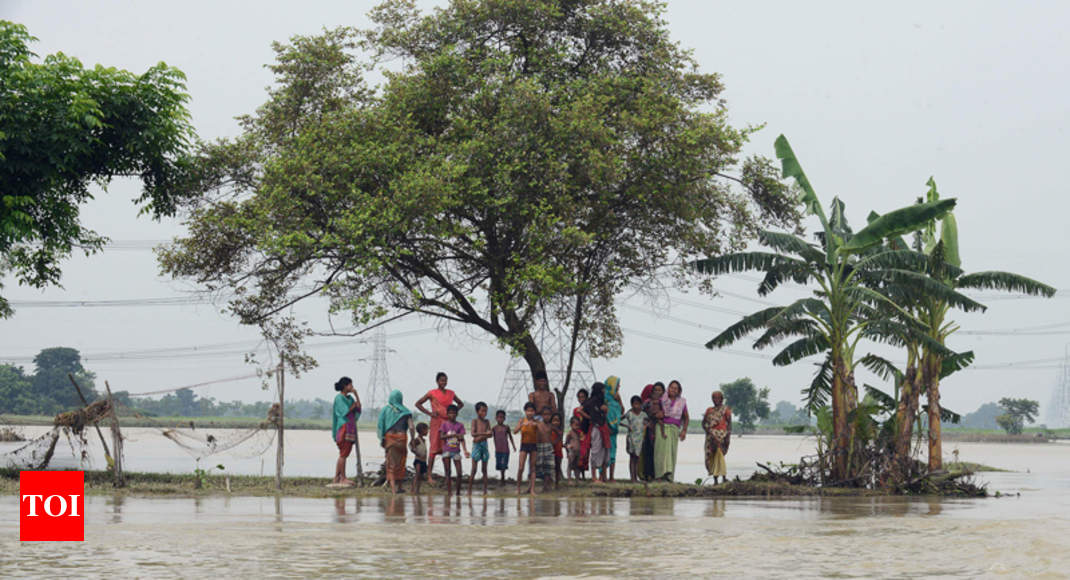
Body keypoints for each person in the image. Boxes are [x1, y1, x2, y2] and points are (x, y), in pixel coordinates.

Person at [414, 371, 464, 482]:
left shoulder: (451, 393)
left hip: (448, 424)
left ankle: (447, 476)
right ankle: (429, 476)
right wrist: (430, 413)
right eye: (441, 380)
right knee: (433, 449)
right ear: (437, 381)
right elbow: (418, 403)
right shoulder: (432, 393)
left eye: (445, 380)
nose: (444, 382)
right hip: (436, 423)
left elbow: (460, 404)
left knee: (448, 448)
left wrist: (452, 413)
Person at [377, 389, 414, 494]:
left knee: (391, 464)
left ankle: (393, 490)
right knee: (401, 462)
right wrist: (412, 439)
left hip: (390, 438)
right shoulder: (406, 411)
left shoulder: (385, 410)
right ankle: (400, 487)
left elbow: (381, 425)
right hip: (402, 438)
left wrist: (382, 439)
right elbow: (411, 427)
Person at [654, 380, 689, 482]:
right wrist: (658, 415)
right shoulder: (662, 399)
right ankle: (659, 477)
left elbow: (686, 418)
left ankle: (669, 478)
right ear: (668, 388)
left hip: (674, 429)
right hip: (661, 428)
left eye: (675, 388)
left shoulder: (681, 402)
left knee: (672, 452)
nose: (673, 390)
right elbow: (655, 413)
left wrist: (684, 431)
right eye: (671, 387)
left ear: (679, 391)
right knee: (660, 452)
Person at [331, 377, 362, 486]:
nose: (352, 387)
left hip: (350, 427)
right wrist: (353, 406)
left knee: (344, 453)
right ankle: (342, 477)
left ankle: (337, 477)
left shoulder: (350, 398)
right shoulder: (339, 398)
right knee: (343, 454)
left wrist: (356, 395)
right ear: (345, 386)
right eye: (350, 385)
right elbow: (344, 411)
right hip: (343, 427)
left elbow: (358, 407)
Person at [702, 390, 732, 484]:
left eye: (718, 397)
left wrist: (728, 436)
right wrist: (709, 431)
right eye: (714, 398)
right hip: (711, 436)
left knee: (720, 456)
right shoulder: (709, 410)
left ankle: (723, 477)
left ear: (722, 399)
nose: (716, 399)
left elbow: (729, 424)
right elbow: (703, 423)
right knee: (712, 456)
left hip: (721, 435)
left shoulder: (726, 410)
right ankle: (715, 479)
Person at [439, 404, 468, 497]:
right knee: (448, 472)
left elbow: (462, 438)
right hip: (446, 450)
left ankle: (458, 492)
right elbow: (441, 436)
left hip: (456, 451)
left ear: (457, 414)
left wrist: (465, 450)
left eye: (454, 413)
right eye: (450, 413)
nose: (452, 415)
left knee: (459, 473)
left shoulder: (460, 425)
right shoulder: (444, 424)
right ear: (447, 414)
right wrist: (452, 435)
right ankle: (449, 492)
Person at [583, 382, 611, 482]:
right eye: (602, 389)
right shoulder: (591, 402)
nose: (604, 391)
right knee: (596, 451)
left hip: (604, 427)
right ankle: (594, 477)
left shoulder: (602, 401)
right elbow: (584, 411)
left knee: (605, 450)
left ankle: (602, 477)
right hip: (595, 428)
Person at [639, 383, 664, 481]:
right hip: (649, 429)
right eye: (655, 390)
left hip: (660, 429)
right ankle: (648, 475)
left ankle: (658, 475)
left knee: (658, 453)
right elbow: (640, 412)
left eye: (660, 390)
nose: (657, 392)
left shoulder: (664, 403)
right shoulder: (647, 402)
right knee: (648, 452)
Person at [619, 395, 645, 483]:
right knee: (632, 458)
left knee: (637, 459)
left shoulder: (643, 414)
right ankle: (632, 478)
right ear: (631, 405)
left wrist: (645, 427)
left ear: (641, 404)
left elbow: (649, 422)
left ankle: (636, 478)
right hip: (631, 439)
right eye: (634, 404)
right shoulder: (629, 413)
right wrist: (626, 426)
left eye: (638, 404)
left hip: (639, 439)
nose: (636, 406)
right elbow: (619, 420)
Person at [514, 402, 538, 495]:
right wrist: (522, 425)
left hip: (533, 445)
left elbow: (542, 430)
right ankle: (518, 488)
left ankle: (532, 489)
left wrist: (536, 425)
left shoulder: (536, 421)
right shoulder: (522, 420)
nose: (530, 413)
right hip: (524, 445)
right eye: (528, 411)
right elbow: (515, 431)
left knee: (532, 468)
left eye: (532, 411)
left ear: (534, 412)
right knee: (520, 467)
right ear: (525, 411)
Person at [468, 401, 492, 495]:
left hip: (484, 445)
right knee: (474, 469)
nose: (484, 413)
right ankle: (469, 490)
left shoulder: (487, 422)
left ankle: (485, 490)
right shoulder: (474, 421)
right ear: (477, 411)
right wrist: (484, 434)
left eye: (485, 411)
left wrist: (481, 437)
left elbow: (490, 434)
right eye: (482, 411)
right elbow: (473, 434)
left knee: (484, 470)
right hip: (477, 446)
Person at [604, 376, 624, 481]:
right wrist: (607, 426)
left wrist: (619, 399)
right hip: (605, 430)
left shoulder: (616, 398)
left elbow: (622, 411)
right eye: (617, 385)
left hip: (614, 432)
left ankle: (611, 476)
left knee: (612, 453)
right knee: (604, 453)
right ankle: (603, 476)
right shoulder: (604, 399)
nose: (619, 387)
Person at [491, 409, 515, 486]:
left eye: (502, 417)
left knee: (504, 464)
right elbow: (490, 436)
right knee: (499, 465)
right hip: (498, 449)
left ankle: (503, 479)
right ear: (496, 418)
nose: (500, 419)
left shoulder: (506, 427)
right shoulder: (494, 428)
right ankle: (502, 478)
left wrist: (513, 446)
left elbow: (510, 437)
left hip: (505, 449)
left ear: (504, 418)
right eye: (499, 417)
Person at [535, 406, 556, 491]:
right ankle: (543, 484)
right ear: (541, 415)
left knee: (549, 466)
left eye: (548, 415)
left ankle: (546, 486)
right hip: (539, 446)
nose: (546, 416)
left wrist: (554, 442)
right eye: (544, 414)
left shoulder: (551, 425)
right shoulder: (538, 424)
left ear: (551, 415)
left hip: (548, 446)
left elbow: (559, 433)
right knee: (540, 466)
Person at [571, 388, 591, 477]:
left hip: (586, 433)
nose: (581, 399)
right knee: (577, 455)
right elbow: (574, 421)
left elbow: (590, 419)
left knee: (585, 454)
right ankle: (577, 474)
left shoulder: (589, 409)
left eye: (583, 397)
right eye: (579, 397)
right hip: (578, 435)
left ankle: (583, 474)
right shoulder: (576, 410)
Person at [410, 423, 429, 494]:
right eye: (426, 430)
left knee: (420, 476)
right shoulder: (417, 440)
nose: (427, 432)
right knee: (417, 474)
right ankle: (412, 490)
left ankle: (417, 490)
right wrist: (416, 453)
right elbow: (411, 446)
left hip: (423, 461)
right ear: (422, 430)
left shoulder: (423, 440)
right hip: (418, 460)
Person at [550, 412, 564, 486]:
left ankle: (557, 484)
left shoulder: (559, 431)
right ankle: (550, 483)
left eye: (557, 421)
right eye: (554, 420)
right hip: (551, 451)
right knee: (550, 468)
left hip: (558, 451)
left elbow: (559, 440)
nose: (556, 422)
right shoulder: (549, 430)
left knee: (558, 467)